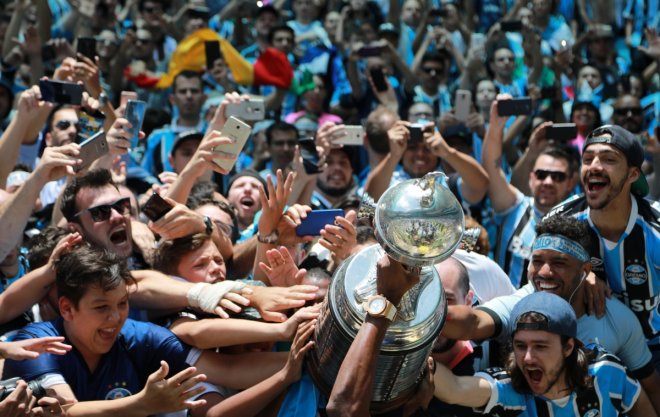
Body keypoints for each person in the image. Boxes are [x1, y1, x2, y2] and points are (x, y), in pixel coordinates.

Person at [2, 245, 299, 416]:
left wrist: (302, 360)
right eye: (101, 307)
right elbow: (68, 411)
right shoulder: (35, 343)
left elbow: (228, 369)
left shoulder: (140, 337)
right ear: (66, 308)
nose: (115, 318)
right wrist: (143, 404)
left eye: (122, 303)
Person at [441, 215, 660, 414]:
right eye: (537, 261)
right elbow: (473, 322)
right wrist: (423, 318)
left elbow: (650, 389)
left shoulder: (616, 323)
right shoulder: (520, 306)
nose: (544, 272)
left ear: (585, 271)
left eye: (559, 263)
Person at [546, 124, 660, 370]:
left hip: (654, 349)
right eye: (588, 159)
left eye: (609, 159)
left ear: (632, 175)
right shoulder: (559, 220)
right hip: (587, 349)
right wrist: (579, 274)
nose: (594, 166)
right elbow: (537, 285)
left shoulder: (656, 228)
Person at [432, 291, 656, 417]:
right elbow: (454, 389)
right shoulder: (508, 390)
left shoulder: (607, 373)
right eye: (520, 346)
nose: (528, 358)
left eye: (540, 346)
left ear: (568, 347)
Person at [483, 96, 578, 287]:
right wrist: (495, 126)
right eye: (542, 174)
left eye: (558, 177)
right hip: (506, 312)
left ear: (570, 182)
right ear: (531, 178)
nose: (548, 182)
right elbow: (491, 169)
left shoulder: (579, 220)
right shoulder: (514, 207)